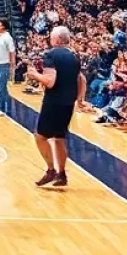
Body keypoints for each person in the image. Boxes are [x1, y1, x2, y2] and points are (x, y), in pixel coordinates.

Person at [27, 25, 83, 189]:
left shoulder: (51, 54)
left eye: (51, 37)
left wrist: (35, 75)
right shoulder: (74, 55)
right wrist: (80, 100)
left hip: (54, 101)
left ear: (57, 40)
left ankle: (51, 169)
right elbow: (81, 80)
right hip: (68, 102)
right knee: (59, 138)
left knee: (40, 136)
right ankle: (62, 174)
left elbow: (50, 82)